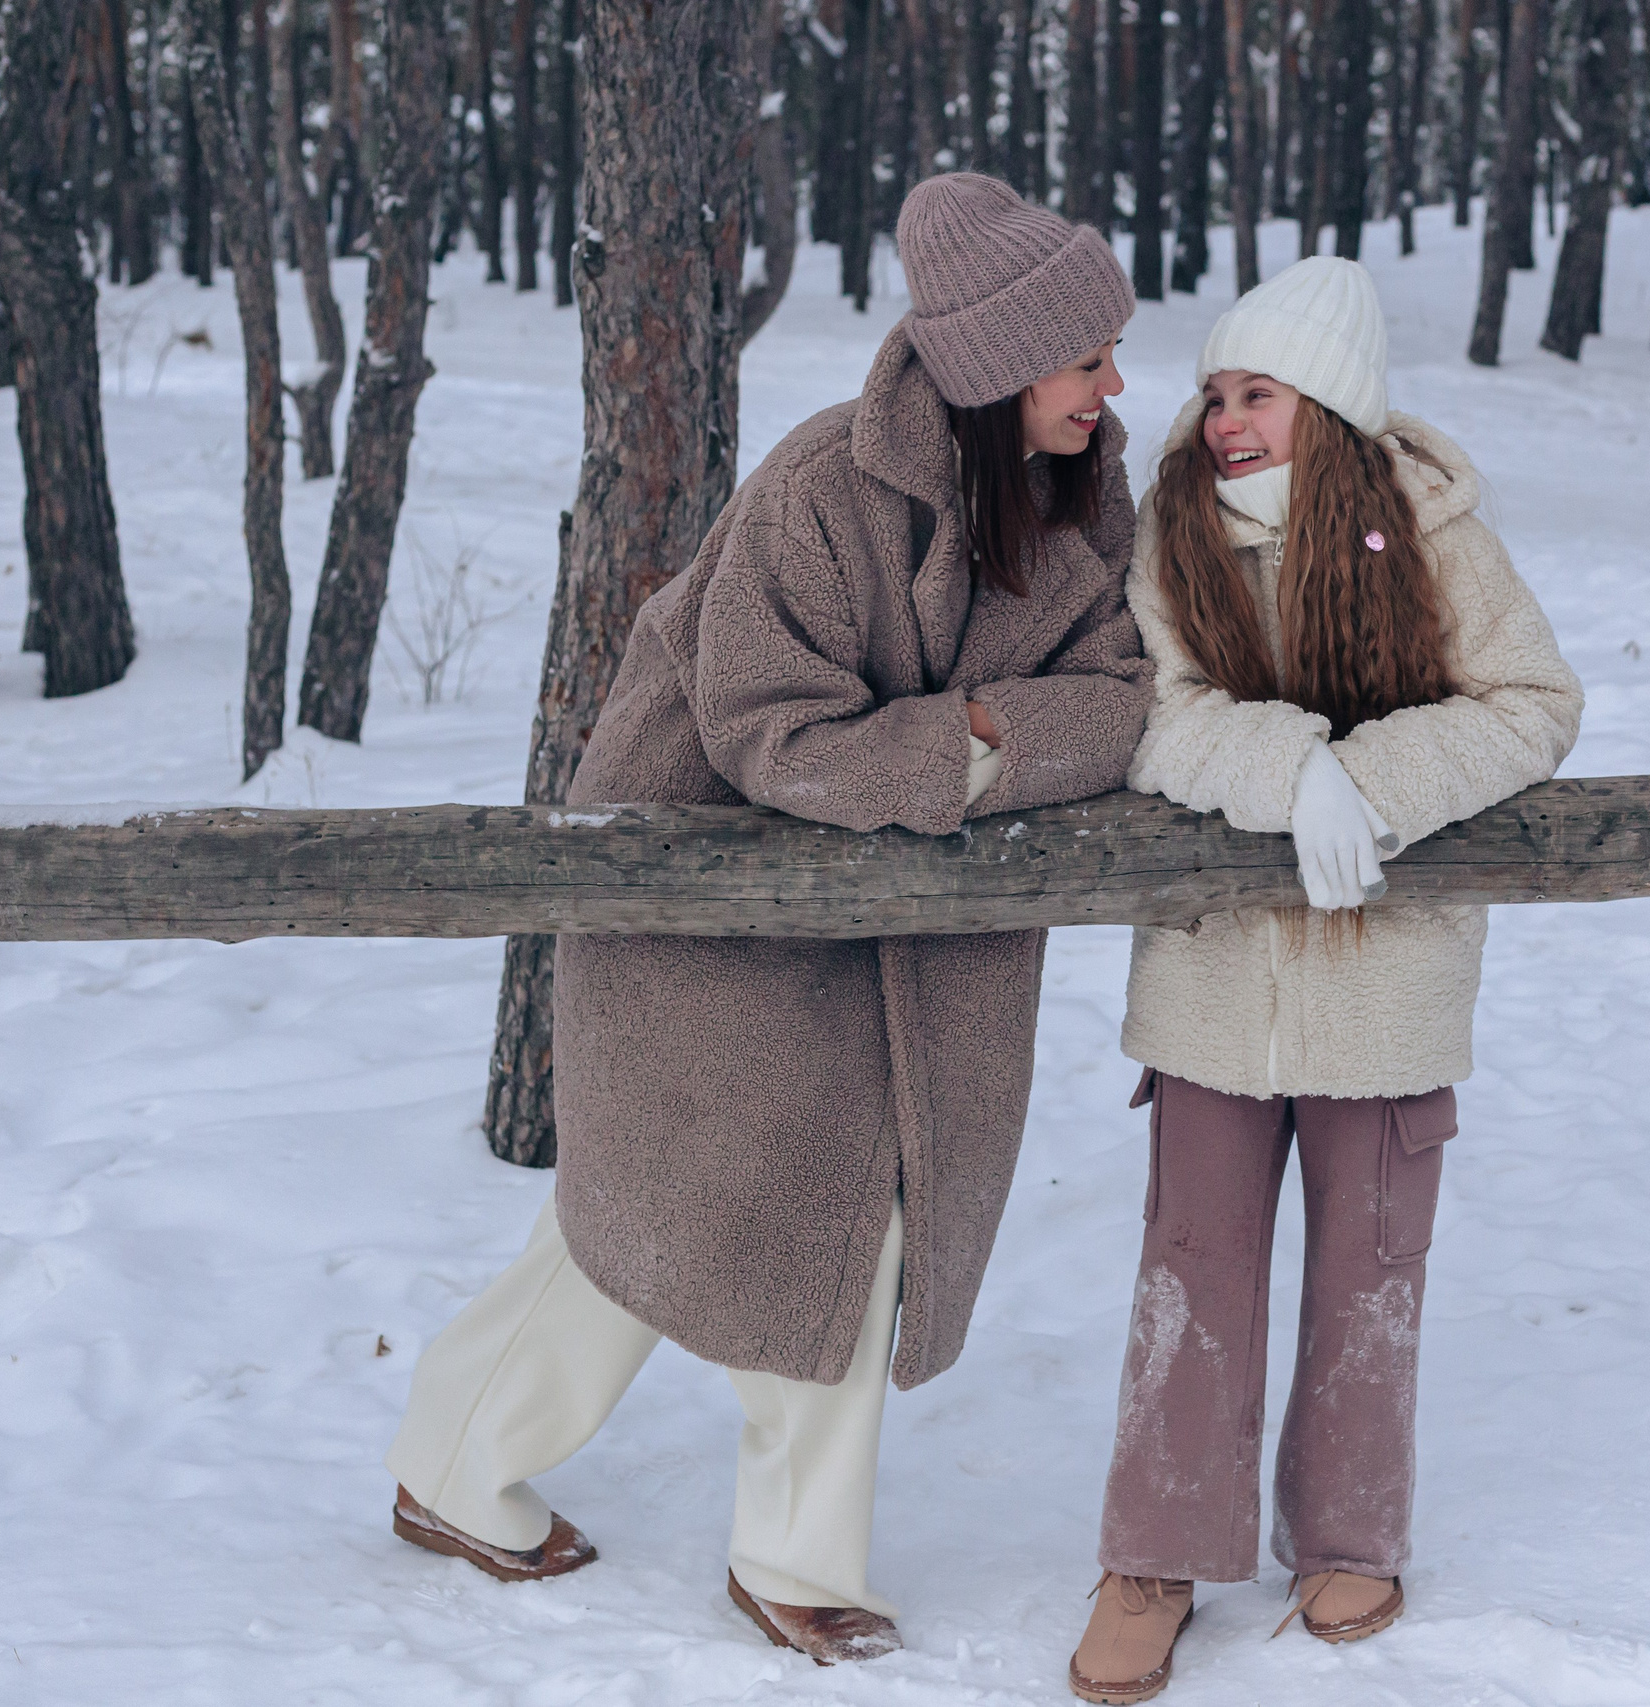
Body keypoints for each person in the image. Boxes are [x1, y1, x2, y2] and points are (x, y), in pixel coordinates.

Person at [383, 173, 1151, 1667]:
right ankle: (455, 1461)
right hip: (711, 911)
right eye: (1087, 359)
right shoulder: (818, 491)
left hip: (908, 940)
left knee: (853, 1228)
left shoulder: (1081, 501)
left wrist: (974, 736)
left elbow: (1120, 700)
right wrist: (982, 747)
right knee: (652, 1217)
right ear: (1000, 371)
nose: (1115, 387)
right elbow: (771, 736)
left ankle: (792, 1561)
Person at [1066, 256, 1585, 1704]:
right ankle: (1155, 1556)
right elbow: (1148, 710)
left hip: (1391, 983)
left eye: (1259, 394)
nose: (1226, 420)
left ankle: (1352, 1532)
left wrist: (1373, 783)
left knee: (1371, 1269)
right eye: (1217, 392)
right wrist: (1288, 773)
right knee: (1193, 1268)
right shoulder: (1171, 540)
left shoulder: (1434, 535)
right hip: (1215, 985)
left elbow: (1535, 702)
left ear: (1333, 408)